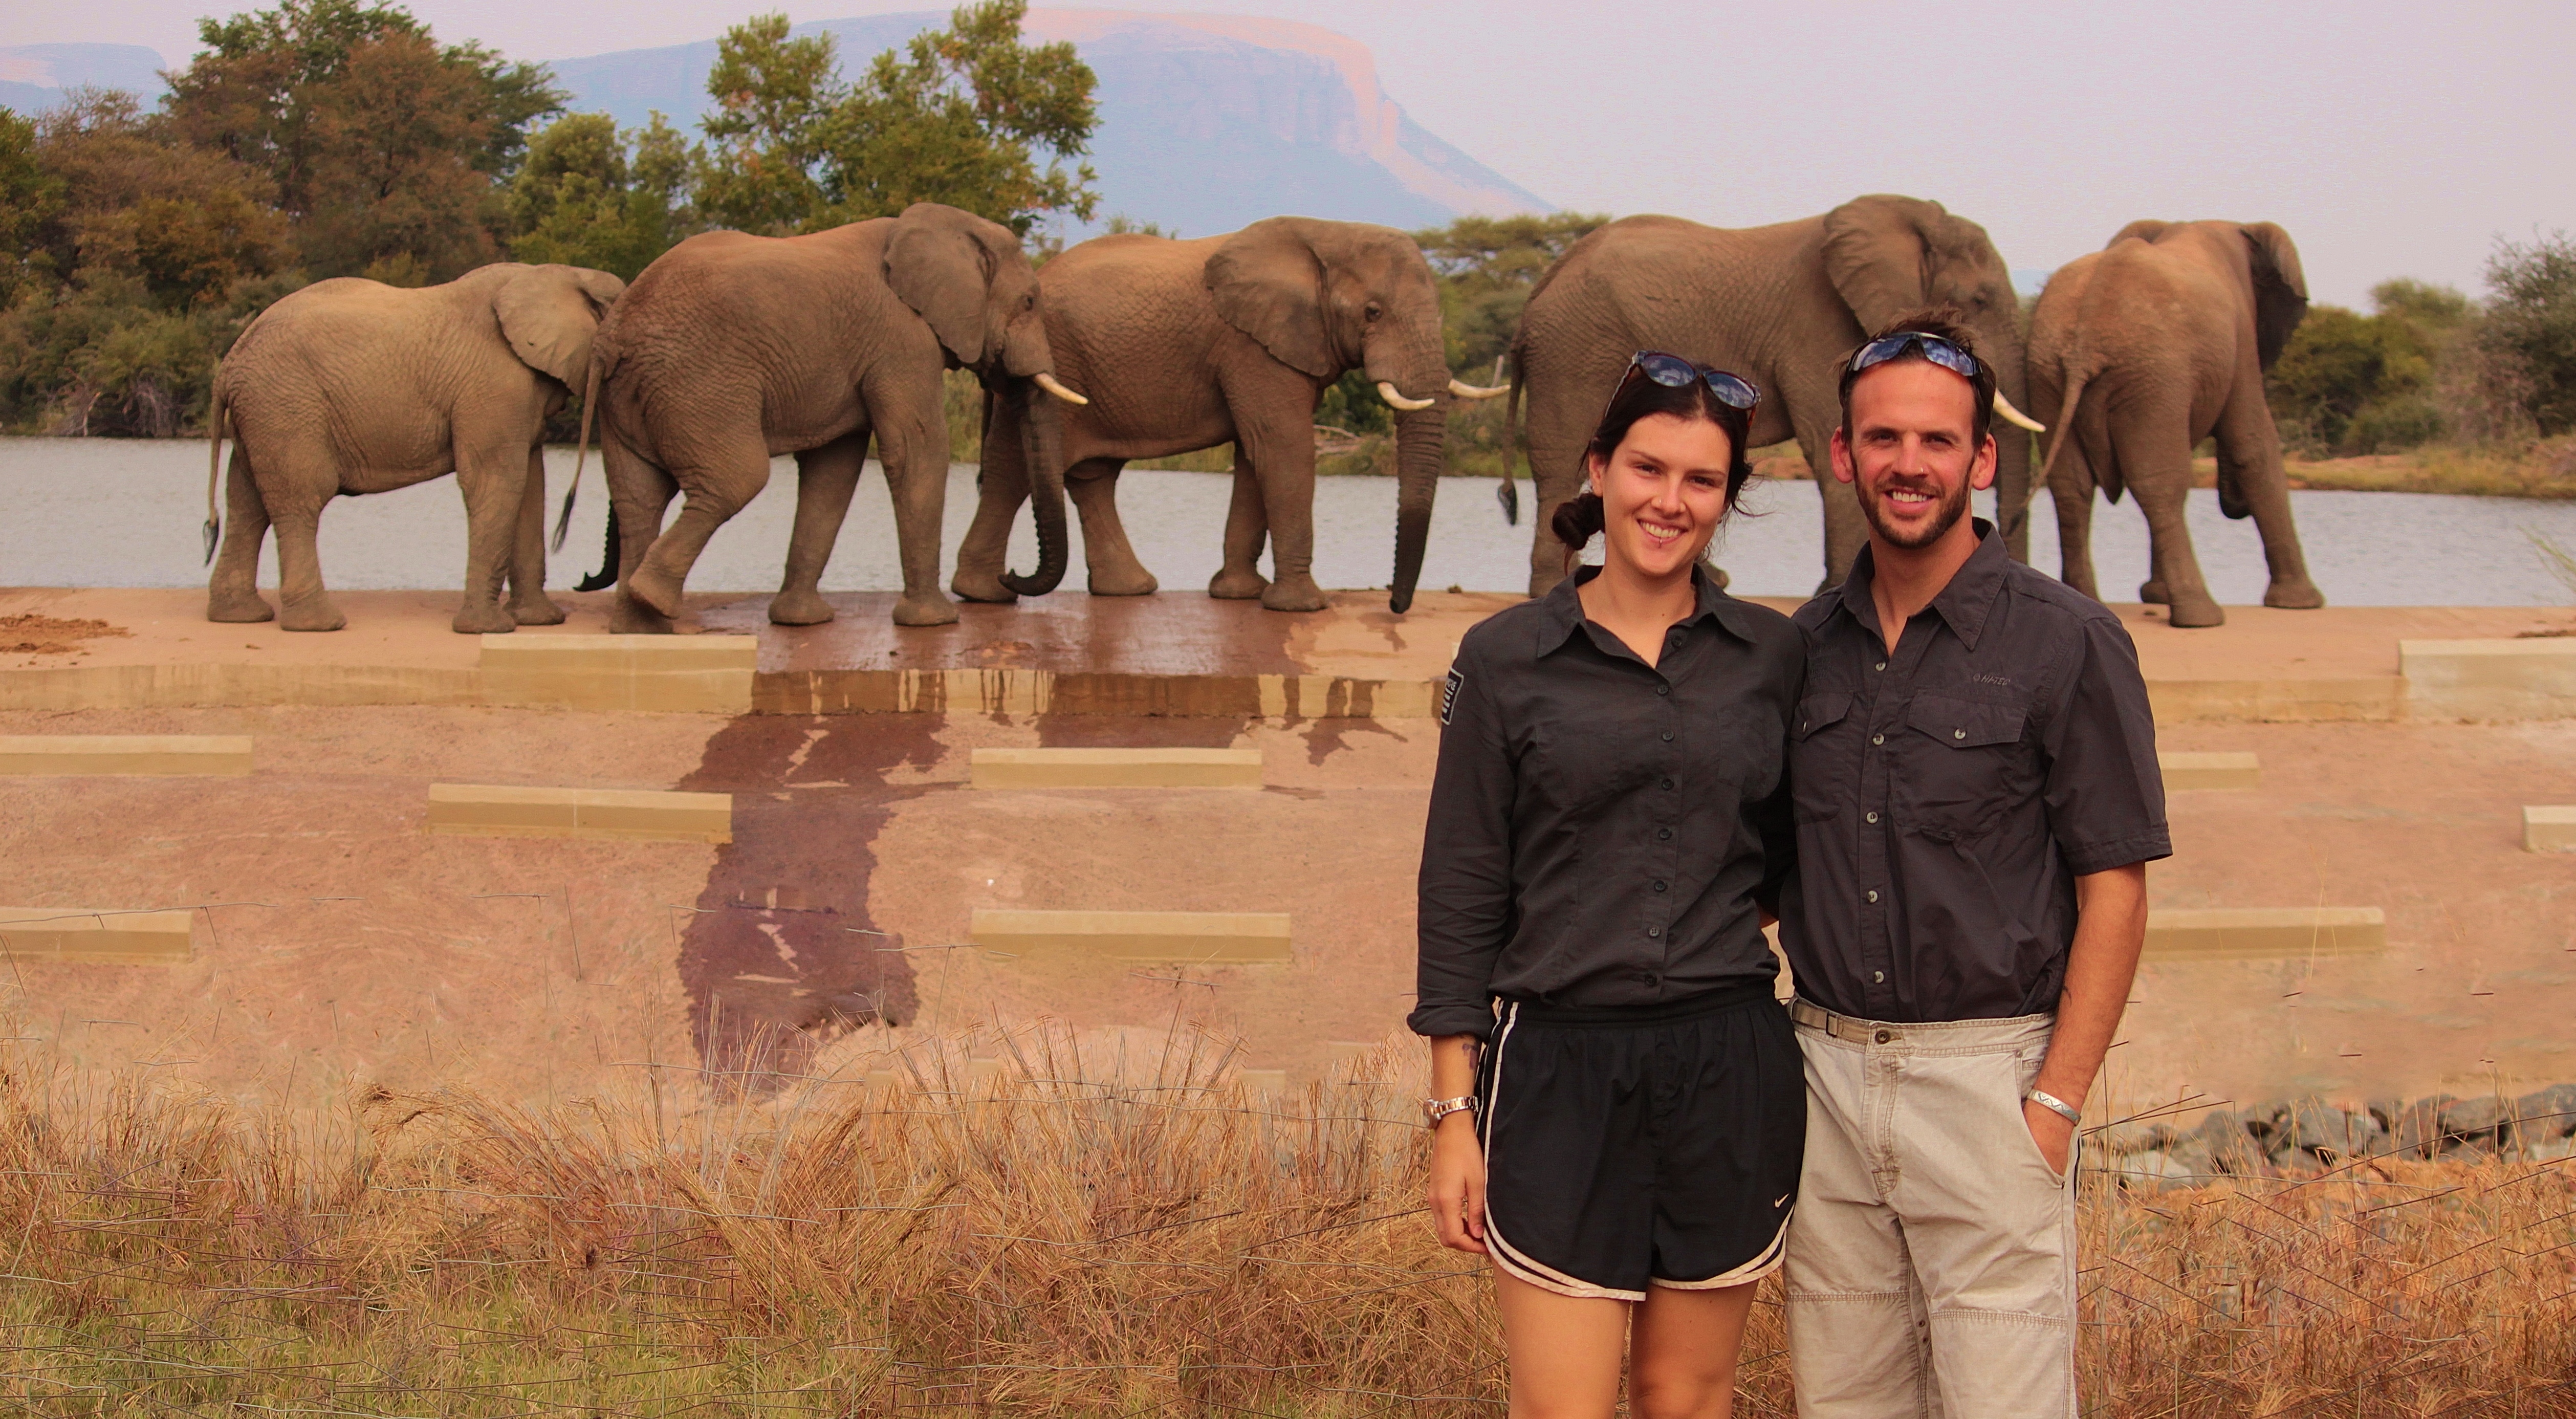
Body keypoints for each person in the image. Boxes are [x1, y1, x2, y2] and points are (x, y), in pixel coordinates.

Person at [1779, 311, 2167, 1417]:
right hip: (1827, 1082)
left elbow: (2117, 886)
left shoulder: (2069, 640)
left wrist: (2055, 1101)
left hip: (1991, 1082)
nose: (1911, 465)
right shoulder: (1800, 650)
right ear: (1844, 455)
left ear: (1982, 458)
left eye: (1939, 441)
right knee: (1846, 1402)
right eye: (1885, 440)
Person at [1414, 352, 1807, 1418]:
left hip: (1728, 1070)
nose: (1669, 501)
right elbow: (1461, 885)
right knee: (1563, 1406)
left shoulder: (1774, 656)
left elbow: (1785, 854)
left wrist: (1679, 915)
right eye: (1647, 467)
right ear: (1598, 468)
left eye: (1701, 480)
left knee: (1687, 1396)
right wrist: (1455, 1112)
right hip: (1557, 1074)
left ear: (1728, 500)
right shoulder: (1504, 658)